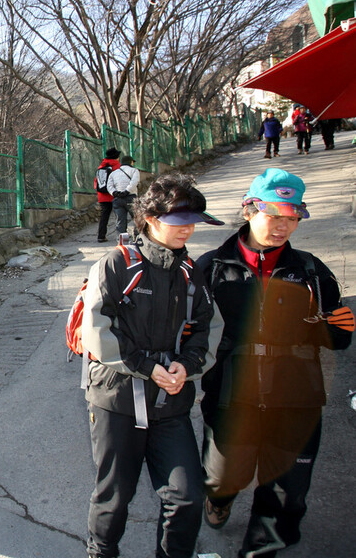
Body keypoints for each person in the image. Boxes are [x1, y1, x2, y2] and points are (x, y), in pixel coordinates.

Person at [196, 168, 352, 558]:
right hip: (230, 395)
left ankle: (261, 550)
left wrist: (315, 324)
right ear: (249, 210)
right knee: (221, 475)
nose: (283, 226)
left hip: (297, 396)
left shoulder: (312, 272)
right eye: (275, 216)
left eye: (292, 218)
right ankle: (220, 498)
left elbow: (341, 336)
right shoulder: (210, 268)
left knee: (287, 492)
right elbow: (185, 330)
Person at [82, 172, 223, 558]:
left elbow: (207, 329)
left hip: (171, 404)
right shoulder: (116, 264)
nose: (189, 230)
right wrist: (147, 366)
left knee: (187, 496)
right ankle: (101, 552)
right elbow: (96, 331)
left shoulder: (191, 272)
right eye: (180, 222)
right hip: (117, 401)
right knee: (114, 495)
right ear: (152, 219)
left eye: (194, 221)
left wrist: (187, 366)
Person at [108, 154, 140, 236]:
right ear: (130, 162)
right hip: (131, 198)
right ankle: (138, 239)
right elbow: (134, 182)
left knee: (120, 221)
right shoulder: (134, 171)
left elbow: (109, 186)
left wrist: (115, 192)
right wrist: (127, 191)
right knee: (137, 219)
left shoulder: (113, 173)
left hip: (117, 199)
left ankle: (121, 241)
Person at [95, 148, 121, 242]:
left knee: (104, 216)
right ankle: (121, 236)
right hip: (114, 194)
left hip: (102, 196)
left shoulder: (101, 166)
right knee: (119, 216)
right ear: (116, 157)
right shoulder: (117, 166)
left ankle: (101, 236)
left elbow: (96, 182)